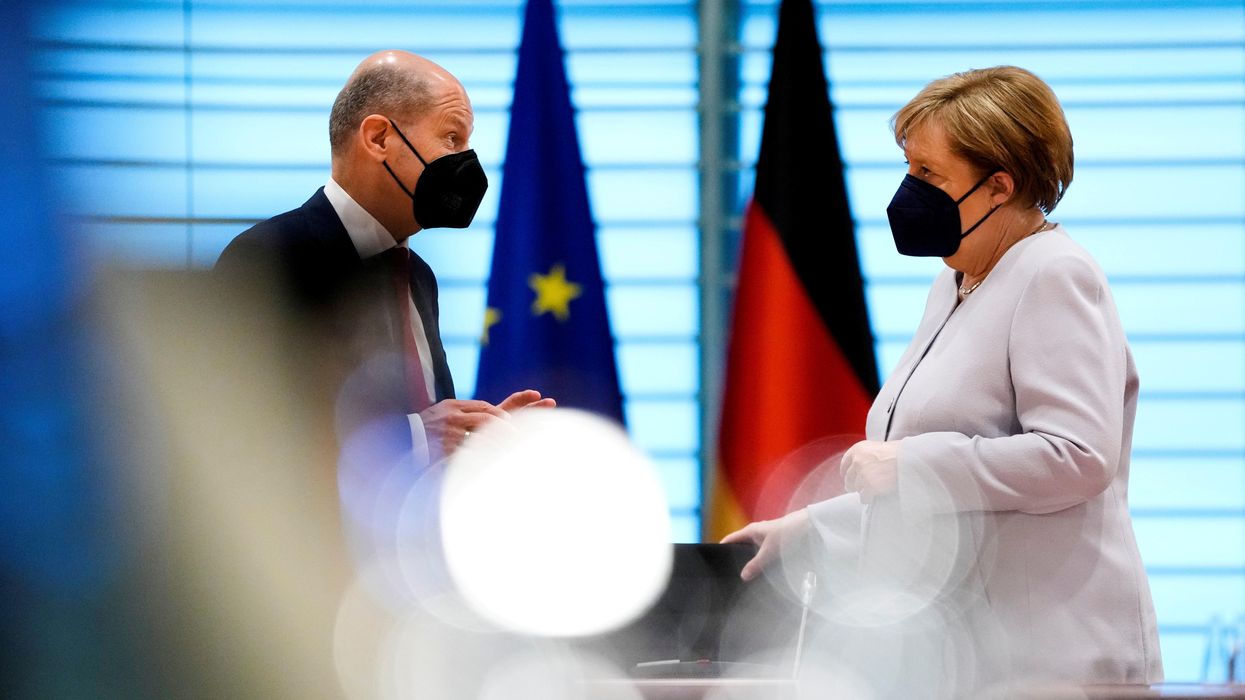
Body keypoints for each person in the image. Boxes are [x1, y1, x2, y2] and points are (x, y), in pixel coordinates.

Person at [723, 66, 1162, 691]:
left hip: (1051, 657)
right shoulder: (956, 283)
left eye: (929, 173)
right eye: (908, 168)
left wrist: (910, 467)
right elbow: (950, 478)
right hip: (971, 654)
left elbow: (1077, 455)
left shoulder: (1052, 275)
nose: (908, 190)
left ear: (998, 187)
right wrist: (815, 527)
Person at [215, 50, 553, 467]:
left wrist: (473, 439)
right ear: (378, 138)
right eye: (452, 138)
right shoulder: (266, 257)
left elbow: (428, 438)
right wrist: (412, 435)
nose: (468, 162)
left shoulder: (419, 278)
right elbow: (241, 437)